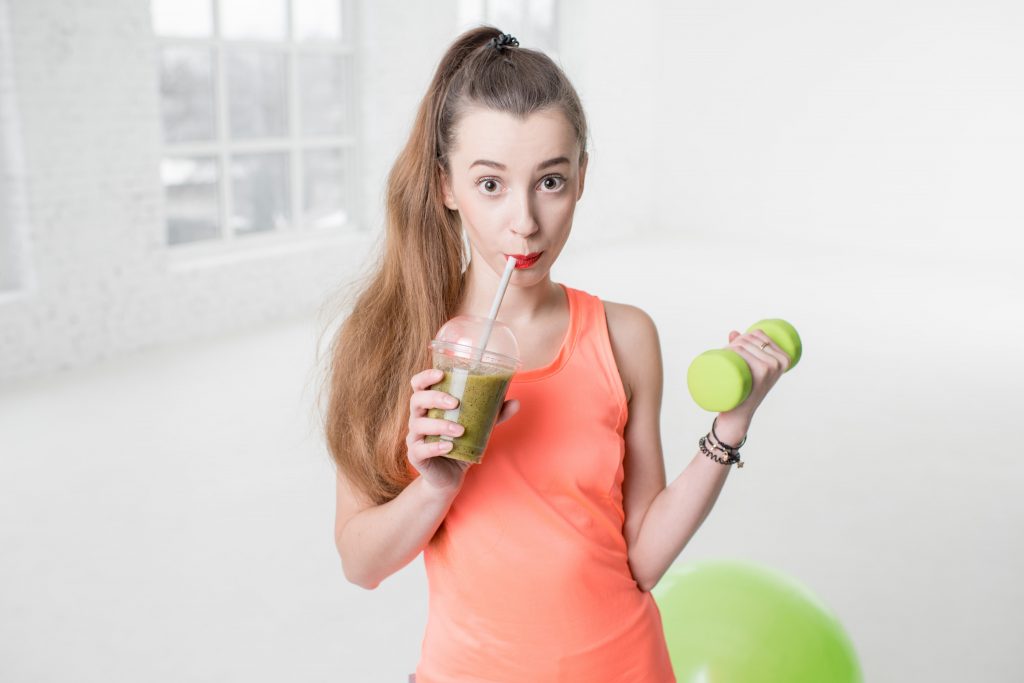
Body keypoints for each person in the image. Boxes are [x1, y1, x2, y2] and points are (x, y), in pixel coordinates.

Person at [320, 26, 790, 683]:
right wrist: (433, 488)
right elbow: (359, 563)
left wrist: (729, 427)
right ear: (444, 185)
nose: (525, 222)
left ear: (581, 178)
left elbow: (644, 559)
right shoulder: (390, 342)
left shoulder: (625, 336)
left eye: (550, 181)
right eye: (490, 185)